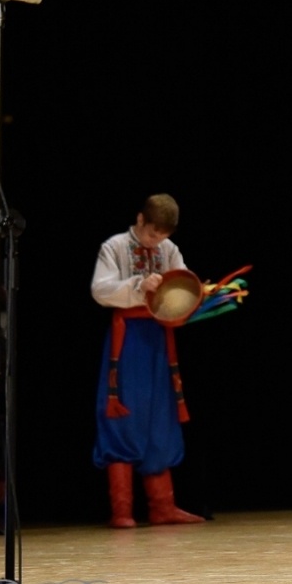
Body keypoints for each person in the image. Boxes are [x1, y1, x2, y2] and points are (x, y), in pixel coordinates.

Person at [91, 194, 205, 528]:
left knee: (160, 415)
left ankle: (162, 506)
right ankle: (122, 510)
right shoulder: (114, 247)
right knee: (124, 414)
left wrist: (194, 294)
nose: (157, 241)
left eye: (163, 236)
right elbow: (100, 290)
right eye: (153, 233)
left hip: (159, 337)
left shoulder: (169, 250)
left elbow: (183, 285)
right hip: (128, 339)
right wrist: (139, 284)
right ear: (140, 219)